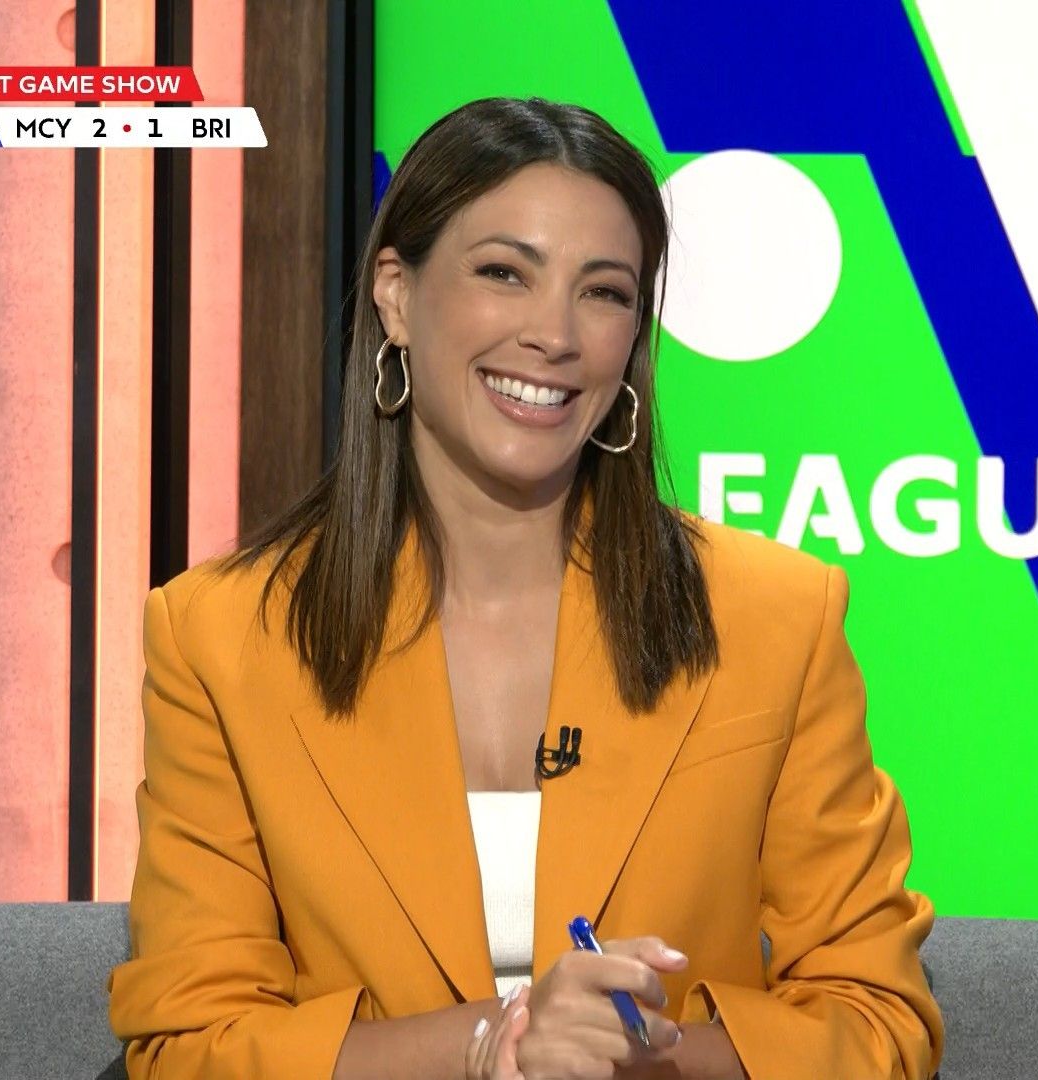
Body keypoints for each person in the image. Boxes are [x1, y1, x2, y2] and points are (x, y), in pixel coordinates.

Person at [106, 96, 944, 1080]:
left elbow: (877, 1022)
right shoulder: (219, 637)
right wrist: (492, 1045)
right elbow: (189, 1047)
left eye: (605, 293)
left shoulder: (774, 617)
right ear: (396, 296)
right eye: (505, 273)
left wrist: (639, 1056)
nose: (555, 335)